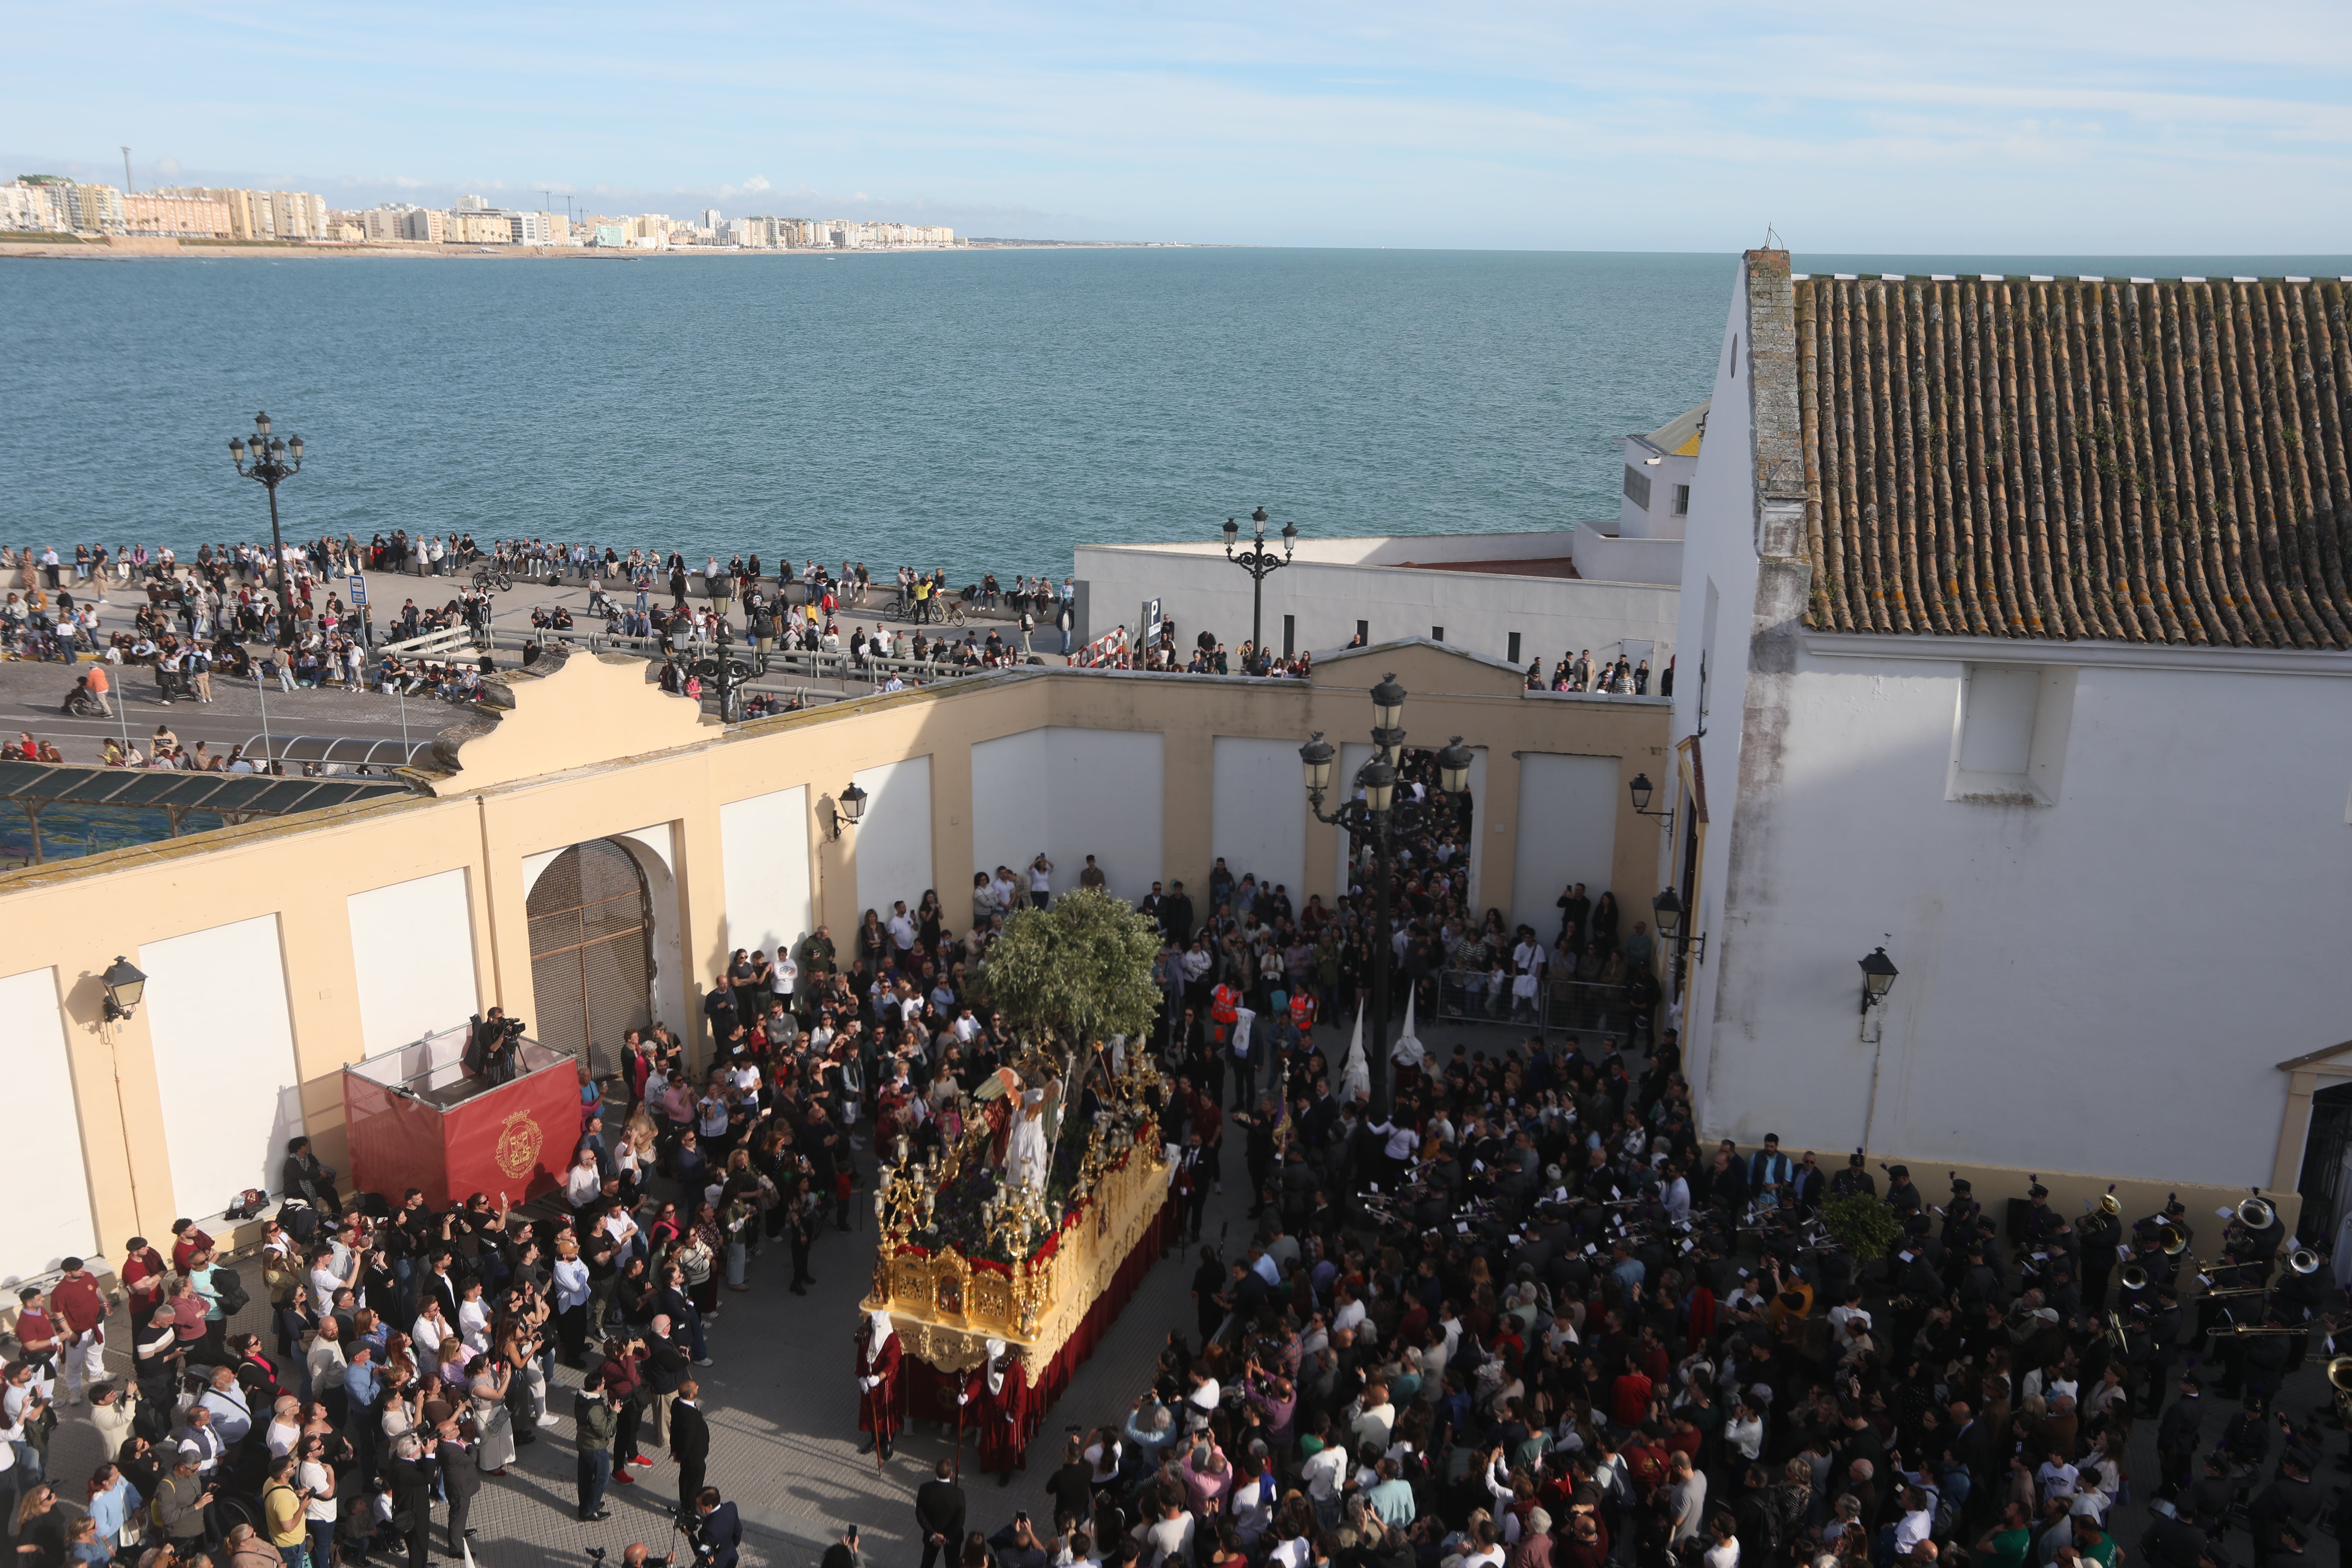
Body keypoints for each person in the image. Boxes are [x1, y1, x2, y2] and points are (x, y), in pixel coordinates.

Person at [855, 1310, 902, 1460]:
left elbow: (892, 1363)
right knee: (871, 1411)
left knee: (886, 1412)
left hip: (885, 1384)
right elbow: (861, 1356)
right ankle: (875, 1439)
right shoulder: (868, 1335)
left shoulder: (892, 1340)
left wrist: (879, 1377)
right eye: (875, 1326)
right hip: (869, 1382)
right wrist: (861, 1378)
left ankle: (888, 1441)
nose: (877, 1329)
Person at [915, 1460, 968, 1568]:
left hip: (931, 1536)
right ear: (951, 1474)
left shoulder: (925, 1489)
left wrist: (934, 1535)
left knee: (927, 1563)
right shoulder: (959, 1494)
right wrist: (946, 1537)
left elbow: (920, 1515)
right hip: (953, 1538)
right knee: (952, 1564)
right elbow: (960, 1522)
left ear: (935, 1471)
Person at [670, 1379, 710, 1513]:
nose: (698, 1386)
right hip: (694, 1455)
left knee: (685, 1478)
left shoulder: (677, 1403)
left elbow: (674, 1427)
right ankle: (691, 1510)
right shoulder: (691, 1415)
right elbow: (687, 1439)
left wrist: (675, 1449)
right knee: (694, 1483)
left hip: (687, 1453)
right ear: (691, 1396)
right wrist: (680, 1455)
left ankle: (685, 1503)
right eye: (695, 1388)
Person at [692, 1490, 741, 1568]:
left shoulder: (708, 1531)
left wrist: (690, 1535)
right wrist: (732, 1545)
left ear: (710, 1506)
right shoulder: (731, 1507)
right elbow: (739, 1530)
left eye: (699, 1504)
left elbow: (701, 1552)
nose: (697, 1506)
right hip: (732, 1557)